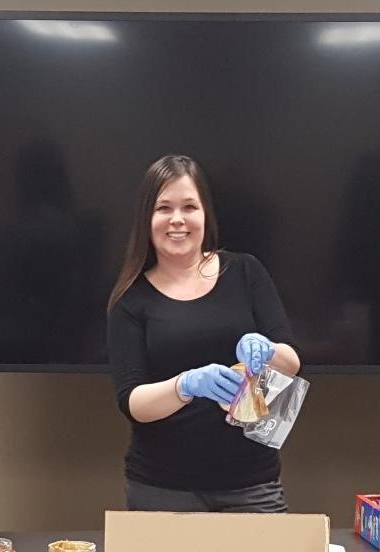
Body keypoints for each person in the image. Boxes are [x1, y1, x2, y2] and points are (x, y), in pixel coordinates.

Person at [106, 154, 302, 512]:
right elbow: (132, 402)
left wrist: (267, 349)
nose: (177, 219)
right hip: (161, 491)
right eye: (164, 207)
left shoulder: (246, 272)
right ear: (147, 219)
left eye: (189, 207)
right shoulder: (130, 301)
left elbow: (291, 363)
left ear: (205, 214)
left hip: (252, 486)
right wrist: (184, 385)